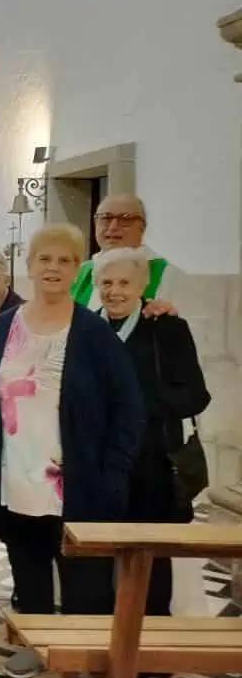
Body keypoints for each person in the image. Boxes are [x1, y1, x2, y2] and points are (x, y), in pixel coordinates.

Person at [0, 224, 145, 678]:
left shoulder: (93, 333)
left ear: (77, 269)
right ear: (29, 266)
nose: (53, 267)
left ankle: (79, 659)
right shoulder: (5, 326)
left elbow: (129, 408)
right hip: (15, 470)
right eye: (44, 259)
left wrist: (113, 473)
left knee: (82, 576)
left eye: (64, 260)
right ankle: (36, 643)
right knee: (26, 564)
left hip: (77, 478)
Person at [95, 247, 210, 615]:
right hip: (100, 466)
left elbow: (196, 396)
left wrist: (138, 402)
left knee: (151, 561)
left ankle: (150, 632)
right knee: (97, 556)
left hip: (153, 465)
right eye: (106, 282)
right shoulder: (86, 329)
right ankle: (102, 632)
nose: (115, 291)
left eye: (124, 283)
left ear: (143, 285)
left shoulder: (167, 329)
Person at [71, 194, 180, 311]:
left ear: (142, 227)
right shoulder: (80, 272)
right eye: (106, 218)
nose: (113, 227)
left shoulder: (168, 274)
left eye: (125, 219)